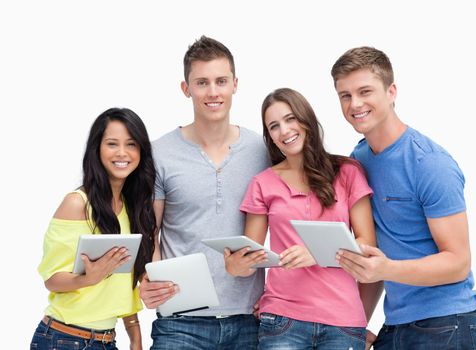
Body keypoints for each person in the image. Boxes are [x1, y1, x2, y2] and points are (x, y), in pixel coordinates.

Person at [331, 46, 476, 349]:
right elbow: (372, 257)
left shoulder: (429, 164)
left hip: (448, 324)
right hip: (397, 326)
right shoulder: (359, 159)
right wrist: (354, 326)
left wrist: (386, 268)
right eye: (345, 95)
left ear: (391, 91)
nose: (355, 104)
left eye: (365, 91)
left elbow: (458, 262)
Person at [224, 88, 382, 350]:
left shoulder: (348, 173)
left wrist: (316, 253)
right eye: (274, 126)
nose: (284, 131)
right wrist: (234, 264)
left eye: (290, 119)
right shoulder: (262, 183)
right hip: (282, 319)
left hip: (342, 320)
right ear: (270, 137)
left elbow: (367, 244)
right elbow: (251, 255)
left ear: (306, 119)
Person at [138, 36, 269, 349]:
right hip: (180, 319)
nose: (213, 92)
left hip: (249, 319)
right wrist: (149, 278)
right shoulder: (159, 153)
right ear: (186, 88)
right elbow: (150, 231)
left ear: (235, 84)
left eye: (221, 81)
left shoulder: (262, 150)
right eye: (202, 82)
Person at [30, 107, 157, 350]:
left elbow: (122, 285)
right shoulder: (77, 203)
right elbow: (52, 279)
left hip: (106, 341)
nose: (122, 153)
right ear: (97, 149)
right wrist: (89, 278)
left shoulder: (135, 209)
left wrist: (135, 336)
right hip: (63, 339)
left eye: (131, 144)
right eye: (112, 144)